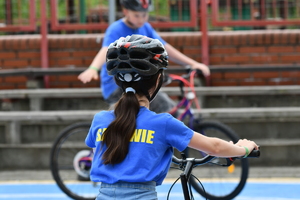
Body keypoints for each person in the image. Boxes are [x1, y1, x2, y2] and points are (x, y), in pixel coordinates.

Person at [85, 35, 259, 200]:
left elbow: (101, 152)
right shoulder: (163, 124)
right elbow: (214, 147)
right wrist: (243, 149)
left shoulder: (100, 120)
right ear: (158, 80)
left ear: (118, 81)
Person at [78, 0, 210, 113]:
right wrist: (93, 68)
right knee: (164, 106)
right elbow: (105, 49)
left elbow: (164, 47)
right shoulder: (116, 29)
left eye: (144, 15)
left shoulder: (146, 28)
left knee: (162, 108)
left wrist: (193, 63)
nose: (141, 19)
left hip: (137, 81)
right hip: (118, 85)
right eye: (136, 15)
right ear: (125, 12)